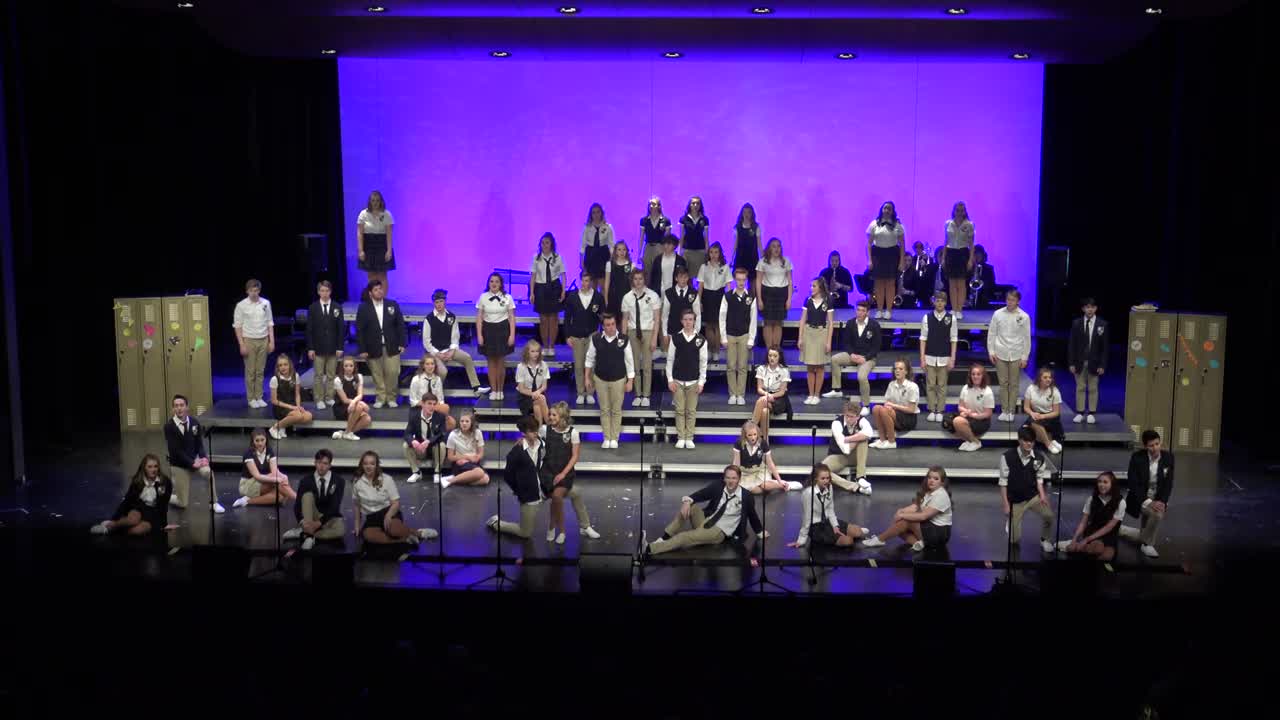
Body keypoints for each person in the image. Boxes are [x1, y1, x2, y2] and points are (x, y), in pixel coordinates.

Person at [639, 465, 763, 567]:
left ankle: (649, 549)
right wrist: (687, 502)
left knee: (684, 537)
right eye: (728, 478)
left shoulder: (746, 496)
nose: (730, 481)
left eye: (734, 478)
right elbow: (701, 494)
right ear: (724, 478)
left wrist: (760, 532)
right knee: (692, 507)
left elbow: (752, 515)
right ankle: (664, 538)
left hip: (719, 531)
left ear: (739, 479)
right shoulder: (719, 486)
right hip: (707, 521)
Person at [540, 402, 602, 544]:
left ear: (562, 417)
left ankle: (559, 530)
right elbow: (531, 437)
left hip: (564, 474)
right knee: (564, 497)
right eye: (549, 414)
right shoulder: (545, 430)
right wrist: (521, 440)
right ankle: (556, 527)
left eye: (554, 414)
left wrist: (563, 474)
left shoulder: (573, 433)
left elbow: (574, 456)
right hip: (547, 474)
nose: (550, 417)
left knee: (557, 496)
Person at [353, 450, 437, 546]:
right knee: (369, 536)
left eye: (372, 464)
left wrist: (388, 516)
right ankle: (405, 540)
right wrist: (357, 525)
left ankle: (418, 533)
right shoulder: (357, 482)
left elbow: (395, 503)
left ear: (376, 465)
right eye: (365, 464)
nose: (368, 466)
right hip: (371, 518)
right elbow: (357, 506)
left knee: (395, 531)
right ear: (362, 465)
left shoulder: (386, 479)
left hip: (389, 512)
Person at [862, 466, 952, 553]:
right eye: (929, 478)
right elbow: (916, 506)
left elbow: (923, 516)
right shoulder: (930, 492)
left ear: (942, 482)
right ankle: (918, 544)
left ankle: (880, 539)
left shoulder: (941, 495)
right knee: (899, 528)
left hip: (940, 534)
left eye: (936, 479)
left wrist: (902, 515)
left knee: (906, 521)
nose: (931, 481)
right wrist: (901, 511)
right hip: (931, 528)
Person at [486, 415, 547, 540]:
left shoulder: (541, 443)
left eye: (536, 429)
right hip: (528, 494)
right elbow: (508, 475)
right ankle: (495, 523)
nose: (535, 433)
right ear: (523, 433)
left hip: (541, 490)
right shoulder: (516, 452)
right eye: (531, 431)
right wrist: (519, 490)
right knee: (525, 532)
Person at [998, 426, 1056, 554]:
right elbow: (1003, 482)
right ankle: (1011, 521)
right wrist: (1006, 505)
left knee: (1049, 516)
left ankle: (1044, 539)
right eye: (1026, 440)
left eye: (1032, 441)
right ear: (1019, 440)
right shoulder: (1007, 457)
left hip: (1032, 497)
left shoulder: (1039, 458)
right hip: (1016, 500)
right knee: (1014, 540)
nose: (1029, 443)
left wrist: (1042, 496)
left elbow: (1039, 478)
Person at [787, 464, 871, 549]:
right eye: (823, 478)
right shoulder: (808, 494)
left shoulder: (829, 487)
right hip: (816, 527)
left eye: (827, 478)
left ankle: (850, 533)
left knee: (858, 532)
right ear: (816, 478)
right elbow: (807, 518)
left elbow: (830, 510)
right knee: (849, 541)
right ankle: (829, 538)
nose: (826, 481)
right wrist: (801, 540)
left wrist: (835, 526)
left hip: (828, 522)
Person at [423, 288, 488, 397]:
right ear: (434, 303)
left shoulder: (451, 317)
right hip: (434, 353)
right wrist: (438, 354)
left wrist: (452, 351)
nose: (439, 305)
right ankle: (435, 394)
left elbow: (455, 337)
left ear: (445, 302)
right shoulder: (429, 319)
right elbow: (426, 342)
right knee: (443, 371)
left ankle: (476, 388)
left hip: (449, 350)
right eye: (436, 302)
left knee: (467, 358)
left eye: (441, 302)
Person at [163, 395, 222, 513]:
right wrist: (192, 463)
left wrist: (203, 457)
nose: (179, 408)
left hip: (195, 461)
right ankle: (166, 496)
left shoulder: (194, 422)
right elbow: (176, 451)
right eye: (176, 406)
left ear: (187, 407)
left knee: (208, 472)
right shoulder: (169, 427)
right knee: (182, 503)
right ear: (173, 409)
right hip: (179, 465)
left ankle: (214, 503)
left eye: (181, 405)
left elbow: (199, 444)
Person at [584, 312, 635, 449]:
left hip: (618, 380)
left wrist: (630, 381)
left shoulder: (624, 339)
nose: (611, 327)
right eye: (608, 325)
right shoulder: (596, 339)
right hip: (600, 379)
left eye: (613, 324)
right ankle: (607, 437)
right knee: (604, 409)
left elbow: (629, 362)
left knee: (616, 410)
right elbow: (589, 359)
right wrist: (587, 377)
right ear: (603, 326)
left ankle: (615, 437)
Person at [90, 454, 173, 536]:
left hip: (154, 513)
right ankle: (109, 526)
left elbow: (163, 506)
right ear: (144, 468)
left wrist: (162, 525)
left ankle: (118, 529)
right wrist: (114, 518)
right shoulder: (138, 481)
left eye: (156, 466)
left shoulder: (165, 482)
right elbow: (127, 500)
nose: (153, 469)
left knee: (136, 531)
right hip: (139, 507)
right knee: (132, 520)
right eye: (150, 466)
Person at [1120, 429, 1173, 558]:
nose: (1155, 448)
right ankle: (1147, 544)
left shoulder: (1168, 457)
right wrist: (1149, 502)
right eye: (1151, 445)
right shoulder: (1137, 458)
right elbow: (1133, 483)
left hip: (1158, 498)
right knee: (1157, 514)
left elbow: (1168, 483)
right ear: (1145, 446)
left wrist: (1162, 501)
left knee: (1156, 514)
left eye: (1157, 444)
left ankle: (1123, 531)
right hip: (1140, 498)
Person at [355, 279, 407, 409]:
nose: (379, 291)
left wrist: (402, 343)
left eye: (380, 289)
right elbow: (360, 330)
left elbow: (400, 325)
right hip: (372, 347)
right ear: (370, 293)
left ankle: (391, 397)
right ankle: (380, 397)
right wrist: (362, 349)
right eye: (376, 290)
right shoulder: (363, 307)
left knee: (393, 372)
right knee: (377, 374)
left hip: (392, 346)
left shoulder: (392, 304)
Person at [283, 449, 346, 551]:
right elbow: (298, 505)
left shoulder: (339, 481)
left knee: (340, 531)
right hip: (312, 515)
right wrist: (302, 521)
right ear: (315, 463)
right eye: (319, 462)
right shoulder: (306, 480)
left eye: (325, 463)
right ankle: (308, 536)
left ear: (330, 465)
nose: (321, 466)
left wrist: (319, 523)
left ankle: (304, 533)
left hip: (329, 517)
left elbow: (335, 507)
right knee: (307, 496)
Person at [824, 300, 881, 408]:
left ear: (867, 313)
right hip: (853, 355)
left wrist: (865, 358)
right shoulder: (850, 323)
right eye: (858, 310)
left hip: (867, 358)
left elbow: (877, 347)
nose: (859, 313)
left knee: (862, 377)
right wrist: (851, 354)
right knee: (835, 359)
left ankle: (866, 405)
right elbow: (846, 342)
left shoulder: (874, 325)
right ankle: (836, 389)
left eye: (862, 311)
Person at [1059, 471, 1125, 562]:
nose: (1101, 485)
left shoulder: (1120, 502)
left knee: (1106, 557)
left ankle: (1078, 548)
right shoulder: (1091, 499)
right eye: (1099, 482)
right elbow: (1083, 522)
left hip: (1109, 536)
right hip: (1093, 532)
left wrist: (1086, 540)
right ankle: (1073, 545)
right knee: (1097, 548)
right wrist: (1074, 539)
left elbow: (1109, 527)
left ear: (1112, 484)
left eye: (1105, 482)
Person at [667, 309, 708, 450]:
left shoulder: (701, 340)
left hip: (693, 381)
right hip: (678, 381)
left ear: (694, 321)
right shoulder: (676, 338)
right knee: (679, 410)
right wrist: (670, 379)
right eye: (685, 319)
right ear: (681, 321)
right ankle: (681, 437)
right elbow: (670, 360)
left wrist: (701, 382)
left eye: (690, 319)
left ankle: (689, 437)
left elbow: (703, 362)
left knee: (691, 411)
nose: (688, 322)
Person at [988, 288, 1031, 421]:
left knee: (1013, 384)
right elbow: (992, 334)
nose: (1010, 302)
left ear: (1018, 301)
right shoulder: (997, 314)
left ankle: (1011, 411)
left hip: (1016, 353)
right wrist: (991, 351)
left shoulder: (1024, 316)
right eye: (1008, 299)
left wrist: (1025, 357)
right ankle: (1004, 410)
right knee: (1003, 383)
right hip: (1000, 352)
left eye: (1013, 300)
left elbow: (1026, 338)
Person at [563, 269, 605, 405]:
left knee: (591, 365)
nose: (585, 283)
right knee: (579, 366)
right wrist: (567, 336)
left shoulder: (598, 297)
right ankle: (581, 392)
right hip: (576, 336)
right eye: (583, 280)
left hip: (592, 335)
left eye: (588, 281)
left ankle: (590, 392)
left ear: (592, 282)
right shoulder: (572, 297)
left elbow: (602, 317)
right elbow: (567, 318)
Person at [233, 278, 274, 408]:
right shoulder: (241, 305)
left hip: (263, 339)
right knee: (251, 371)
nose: (254, 293)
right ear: (247, 291)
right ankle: (251, 398)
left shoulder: (266, 303)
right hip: (249, 340)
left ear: (259, 290)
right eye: (251, 290)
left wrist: (271, 341)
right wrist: (242, 344)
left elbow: (270, 323)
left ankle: (259, 396)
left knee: (260, 370)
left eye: (256, 290)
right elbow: (237, 326)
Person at [621, 267, 660, 407]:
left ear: (645, 279)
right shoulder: (627, 297)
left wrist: (655, 338)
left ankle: (646, 395)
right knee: (635, 365)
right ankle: (637, 394)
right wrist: (623, 338)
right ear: (632, 280)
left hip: (648, 331)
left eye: (641, 279)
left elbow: (657, 319)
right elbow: (625, 319)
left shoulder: (653, 296)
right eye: (635, 279)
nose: (638, 281)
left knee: (647, 366)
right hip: (632, 332)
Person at [231, 428, 296, 509]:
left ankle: (247, 501)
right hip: (248, 484)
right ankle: (298, 499)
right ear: (253, 441)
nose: (260, 443)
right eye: (257, 440)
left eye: (262, 440)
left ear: (266, 440)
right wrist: (276, 480)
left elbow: (274, 471)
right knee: (278, 482)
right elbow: (257, 476)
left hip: (264, 480)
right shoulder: (248, 453)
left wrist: (283, 477)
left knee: (279, 497)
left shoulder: (269, 450)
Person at [476, 272, 516, 402]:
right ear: (488, 283)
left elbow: (511, 318)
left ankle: (500, 390)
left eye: (497, 281)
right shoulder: (483, 297)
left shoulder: (508, 297)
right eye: (492, 281)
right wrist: (480, 335)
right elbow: (479, 318)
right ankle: (493, 390)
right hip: (488, 331)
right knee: (491, 363)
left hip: (503, 331)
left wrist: (512, 335)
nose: (494, 284)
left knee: (500, 363)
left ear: (501, 284)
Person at [720, 267, 758, 405]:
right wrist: (723, 337)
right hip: (730, 334)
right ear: (735, 280)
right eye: (738, 280)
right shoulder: (728, 296)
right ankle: (732, 394)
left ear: (746, 280)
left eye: (743, 280)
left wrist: (751, 338)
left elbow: (753, 319)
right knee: (730, 365)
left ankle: (740, 394)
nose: (741, 282)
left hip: (744, 335)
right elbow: (722, 317)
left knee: (742, 366)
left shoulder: (751, 298)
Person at [820, 399, 874, 495]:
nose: (848, 419)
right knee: (819, 471)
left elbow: (869, 433)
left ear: (857, 416)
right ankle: (855, 487)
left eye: (852, 417)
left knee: (863, 441)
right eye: (847, 416)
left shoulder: (862, 421)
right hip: (838, 456)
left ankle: (860, 477)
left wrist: (848, 439)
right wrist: (858, 437)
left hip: (855, 457)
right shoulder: (837, 423)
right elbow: (845, 449)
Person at [1067, 297, 1108, 423]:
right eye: (1087, 307)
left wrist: (1102, 365)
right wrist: (1071, 363)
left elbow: (1104, 347)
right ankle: (1079, 412)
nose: (1089, 309)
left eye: (1092, 307)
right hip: (1079, 362)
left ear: (1095, 308)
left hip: (1094, 362)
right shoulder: (1076, 323)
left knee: (1093, 387)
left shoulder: (1102, 324)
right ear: (1083, 309)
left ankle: (1091, 412)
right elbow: (1072, 344)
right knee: (1080, 387)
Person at [918, 291, 957, 422]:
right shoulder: (927, 317)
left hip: (944, 358)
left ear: (946, 303)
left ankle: (940, 410)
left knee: (941, 385)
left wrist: (952, 358)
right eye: (937, 300)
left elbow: (954, 339)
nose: (940, 303)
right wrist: (922, 358)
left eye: (942, 301)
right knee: (930, 385)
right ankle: (931, 409)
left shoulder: (951, 318)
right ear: (934, 302)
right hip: (929, 357)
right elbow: (923, 339)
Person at [306, 280, 344, 411]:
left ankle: (329, 397)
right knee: (318, 375)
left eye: (327, 291)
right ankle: (319, 399)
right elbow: (309, 329)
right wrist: (310, 348)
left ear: (330, 291)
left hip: (333, 348)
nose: (324, 293)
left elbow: (341, 329)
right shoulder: (313, 308)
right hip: (318, 348)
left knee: (331, 374)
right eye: (322, 291)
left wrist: (340, 347)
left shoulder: (337, 307)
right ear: (318, 292)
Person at [731, 420, 800, 494]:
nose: (753, 437)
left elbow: (770, 463)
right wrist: (734, 477)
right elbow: (736, 463)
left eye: (755, 434)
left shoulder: (763, 443)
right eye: (750, 435)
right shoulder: (739, 444)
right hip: (745, 473)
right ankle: (769, 488)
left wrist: (779, 480)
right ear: (745, 435)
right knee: (755, 490)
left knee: (765, 485)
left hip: (759, 471)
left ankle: (784, 484)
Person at [866, 201, 906, 320]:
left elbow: (902, 244)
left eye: (889, 209)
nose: (887, 210)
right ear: (881, 209)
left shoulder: (898, 225)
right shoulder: (874, 224)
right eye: (885, 208)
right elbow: (868, 244)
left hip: (892, 254)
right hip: (877, 254)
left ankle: (888, 310)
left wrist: (902, 261)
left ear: (893, 211)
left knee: (890, 283)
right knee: (878, 284)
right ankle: (879, 310)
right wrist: (869, 260)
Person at [797, 277, 834, 405]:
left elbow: (830, 323)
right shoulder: (807, 301)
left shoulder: (828, 301)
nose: (811, 288)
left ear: (820, 287)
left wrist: (828, 342)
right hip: (809, 333)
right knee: (810, 366)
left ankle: (817, 394)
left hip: (821, 333)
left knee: (819, 367)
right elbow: (802, 320)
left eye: (814, 286)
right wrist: (800, 338)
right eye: (811, 286)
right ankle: (810, 394)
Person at [530, 231, 566, 357]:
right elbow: (533, 276)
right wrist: (532, 293)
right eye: (543, 243)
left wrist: (563, 290)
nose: (545, 245)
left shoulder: (557, 257)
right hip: (541, 288)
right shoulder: (536, 258)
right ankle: (545, 345)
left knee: (553, 319)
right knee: (544, 319)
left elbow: (563, 275)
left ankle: (552, 346)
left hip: (554, 287)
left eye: (547, 243)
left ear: (552, 244)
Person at [871, 357, 920, 449]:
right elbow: (887, 402)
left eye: (900, 369)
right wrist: (889, 406)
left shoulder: (912, 387)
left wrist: (893, 406)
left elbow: (911, 410)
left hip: (908, 418)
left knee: (884, 411)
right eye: (895, 369)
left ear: (906, 372)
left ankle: (891, 441)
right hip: (894, 413)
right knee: (876, 408)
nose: (897, 371)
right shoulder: (891, 384)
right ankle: (882, 440)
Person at [755, 237, 793, 352]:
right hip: (768, 293)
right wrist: (760, 300)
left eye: (778, 246)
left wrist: (789, 299)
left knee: (778, 322)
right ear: (769, 248)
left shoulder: (786, 262)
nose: (776, 249)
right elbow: (758, 281)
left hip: (782, 293)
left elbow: (790, 281)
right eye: (774, 246)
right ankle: (769, 350)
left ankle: (776, 350)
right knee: (768, 322)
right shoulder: (763, 262)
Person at [404, 393, 449, 485]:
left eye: (434, 404)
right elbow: (407, 433)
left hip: (434, 448)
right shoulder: (414, 416)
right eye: (429, 403)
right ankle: (416, 472)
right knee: (406, 445)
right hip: (421, 449)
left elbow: (442, 434)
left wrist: (429, 441)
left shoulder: (440, 416)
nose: (432, 407)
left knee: (442, 445)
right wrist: (413, 441)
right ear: (423, 404)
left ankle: (437, 472)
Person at [356, 190, 395, 294]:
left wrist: (389, 250)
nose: (375, 203)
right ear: (370, 201)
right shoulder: (363, 214)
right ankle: (373, 300)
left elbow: (389, 234)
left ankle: (383, 301)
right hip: (368, 245)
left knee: (382, 275)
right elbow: (359, 233)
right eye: (373, 200)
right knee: (371, 275)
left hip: (382, 245)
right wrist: (361, 250)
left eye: (377, 200)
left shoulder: (386, 214)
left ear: (381, 201)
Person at [696, 242, 731, 361]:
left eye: (716, 252)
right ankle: (710, 349)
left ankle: (716, 350)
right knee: (709, 325)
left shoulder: (725, 267)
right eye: (711, 252)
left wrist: (729, 301)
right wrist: (699, 301)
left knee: (718, 324)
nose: (714, 255)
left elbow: (728, 285)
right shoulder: (704, 267)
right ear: (708, 253)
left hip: (719, 296)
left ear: (720, 253)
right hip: (707, 296)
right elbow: (700, 285)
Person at [268, 354, 313, 440]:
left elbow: (297, 394)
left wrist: (298, 406)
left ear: (290, 365)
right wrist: (292, 407)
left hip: (293, 405)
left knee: (308, 416)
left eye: (285, 364)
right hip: (280, 407)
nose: (283, 367)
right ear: (277, 367)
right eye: (280, 365)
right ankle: (275, 428)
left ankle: (283, 426)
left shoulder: (295, 376)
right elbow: (274, 401)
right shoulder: (274, 379)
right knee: (298, 416)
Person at [952, 363, 994, 452]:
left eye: (978, 374)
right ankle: (968, 440)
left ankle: (975, 442)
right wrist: (965, 412)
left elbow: (988, 413)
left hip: (981, 420)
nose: (975, 377)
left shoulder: (987, 391)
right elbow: (960, 406)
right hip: (969, 416)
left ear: (983, 376)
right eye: (973, 374)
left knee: (957, 421)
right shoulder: (965, 388)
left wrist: (972, 415)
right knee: (947, 422)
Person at [1022, 366, 1065, 455]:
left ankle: (1048, 443)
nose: (1048, 379)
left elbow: (1056, 412)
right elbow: (1026, 407)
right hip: (1035, 414)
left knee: (1034, 422)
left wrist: (1043, 416)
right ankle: (1049, 443)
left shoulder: (1055, 391)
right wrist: (1032, 413)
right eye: (1045, 377)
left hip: (1050, 416)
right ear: (1039, 378)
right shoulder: (1031, 388)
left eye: (1050, 377)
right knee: (1025, 428)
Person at [943, 202, 975, 318]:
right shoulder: (948, 224)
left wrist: (971, 259)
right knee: (952, 283)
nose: (960, 212)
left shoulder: (969, 225)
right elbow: (946, 241)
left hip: (962, 253)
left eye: (962, 210)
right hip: (951, 253)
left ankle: (959, 309)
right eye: (957, 210)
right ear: (954, 210)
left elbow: (971, 244)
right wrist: (943, 258)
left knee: (961, 283)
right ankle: (954, 308)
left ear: (965, 211)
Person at [752, 346, 791, 441]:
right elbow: (759, 389)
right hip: (766, 396)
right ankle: (765, 441)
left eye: (775, 356)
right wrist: (767, 395)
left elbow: (782, 392)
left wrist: (771, 396)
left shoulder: (784, 370)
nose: (772, 358)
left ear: (779, 357)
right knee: (765, 411)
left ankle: (751, 429)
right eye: (770, 355)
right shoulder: (761, 369)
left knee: (761, 401)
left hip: (779, 399)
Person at [443, 410, 491, 488]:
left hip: (473, 463)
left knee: (485, 479)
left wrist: (475, 458)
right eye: (462, 421)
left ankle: (456, 479)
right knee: (480, 472)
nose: (464, 423)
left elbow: (481, 453)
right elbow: (450, 457)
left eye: (467, 421)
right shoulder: (453, 434)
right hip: (459, 464)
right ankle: (450, 481)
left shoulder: (477, 433)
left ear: (471, 422)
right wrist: (466, 457)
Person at [408, 355, 456, 431]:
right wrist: (424, 405)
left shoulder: (437, 379)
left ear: (435, 366)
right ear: (423, 366)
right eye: (427, 364)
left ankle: (441, 436)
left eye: (432, 364)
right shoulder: (416, 379)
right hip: (420, 407)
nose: (430, 366)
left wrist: (436, 406)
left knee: (446, 408)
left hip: (434, 407)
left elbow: (440, 399)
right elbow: (412, 401)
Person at [331, 356, 372, 441]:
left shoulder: (359, 377)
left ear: (354, 367)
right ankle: (348, 433)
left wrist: (355, 402)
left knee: (367, 419)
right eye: (346, 366)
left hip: (354, 406)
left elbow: (360, 395)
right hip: (341, 407)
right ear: (342, 367)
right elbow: (345, 400)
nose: (349, 368)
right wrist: (357, 403)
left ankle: (345, 433)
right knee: (359, 407)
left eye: (351, 365)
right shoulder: (338, 380)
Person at [660, 266, 700, 351]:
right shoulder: (669, 293)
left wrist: (696, 332)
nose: (683, 280)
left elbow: (698, 315)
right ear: (676, 278)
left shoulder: (693, 293)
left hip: (689, 332)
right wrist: (665, 333)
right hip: (672, 331)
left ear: (688, 278)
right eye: (681, 277)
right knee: (671, 359)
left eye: (685, 277)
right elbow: (665, 315)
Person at [514, 340, 551, 424]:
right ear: (527, 352)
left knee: (537, 406)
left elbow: (544, 386)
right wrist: (534, 394)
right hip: (525, 396)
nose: (535, 354)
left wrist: (538, 392)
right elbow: (521, 389)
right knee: (541, 399)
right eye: (532, 351)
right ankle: (550, 426)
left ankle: (540, 430)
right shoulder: (521, 367)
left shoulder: (543, 365)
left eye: (537, 351)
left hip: (539, 393)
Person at [581, 202, 614, 286]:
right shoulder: (587, 228)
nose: (596, 214)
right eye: (593, 212)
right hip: (590, 256)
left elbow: (611, 245)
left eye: (598, 212)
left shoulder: (607, 227)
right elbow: (583, 245)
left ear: (601, 213)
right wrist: (581, 261)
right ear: (591, 214)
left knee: (603, 285)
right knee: (592, 285)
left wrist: (611, 260)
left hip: (603, 256)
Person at [639, 196, 674, 272]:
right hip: (648, 246)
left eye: (654, 204)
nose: (651, 206)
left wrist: (667, 252)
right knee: (646, 270)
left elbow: (668, 239)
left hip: (660, 247)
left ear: (659, 206)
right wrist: (640, 253)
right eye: (650, 204)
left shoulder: (666, 220)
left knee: (659, 270)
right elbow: (641, 238)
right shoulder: (644, 220)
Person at [678, 195, 710, 279]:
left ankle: (698, 292)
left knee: (700, 277)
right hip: (687, 251)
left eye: (697, 203)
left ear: (700, 206)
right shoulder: (683, 219)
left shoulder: (705, 219)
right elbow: (681, 237)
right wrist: (679, 252)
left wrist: (707, 253)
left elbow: (706, 238)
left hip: (700, 250)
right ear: (690, 205)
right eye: (693, 203)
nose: (695, 205)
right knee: (687, 276)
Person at [731, 202, 763, 283]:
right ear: (742, 214)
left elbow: (759, 244)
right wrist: (732, 258)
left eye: (749, 212)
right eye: (744, 212)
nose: (746, 214)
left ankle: (752, 295)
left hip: (752, 257)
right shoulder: (737, 227)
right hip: (740, 257)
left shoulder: (756, 227)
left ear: (752, 214)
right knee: (740, 281)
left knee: (752, 281)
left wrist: (763, 258)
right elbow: (735, 244)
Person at [603, 240, 635, 317]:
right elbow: (607, 284)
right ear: (616, 251)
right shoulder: (609, 264)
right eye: (619, 250)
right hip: (613, 297)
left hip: (626, 297)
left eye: (624, 250)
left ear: (627, 251)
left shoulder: (631, 265)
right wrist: (606, 300)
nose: (621, 252)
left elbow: (632, 285)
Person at [902, 240, 936, 309]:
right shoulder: (912, 258)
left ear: (923, 248)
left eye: (920, 247)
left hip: (924, 284)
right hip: (913, 282)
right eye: (916, 248)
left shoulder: (929, 259)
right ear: (914, 249)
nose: (918, 249)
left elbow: (931, 273)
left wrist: (925, 266)